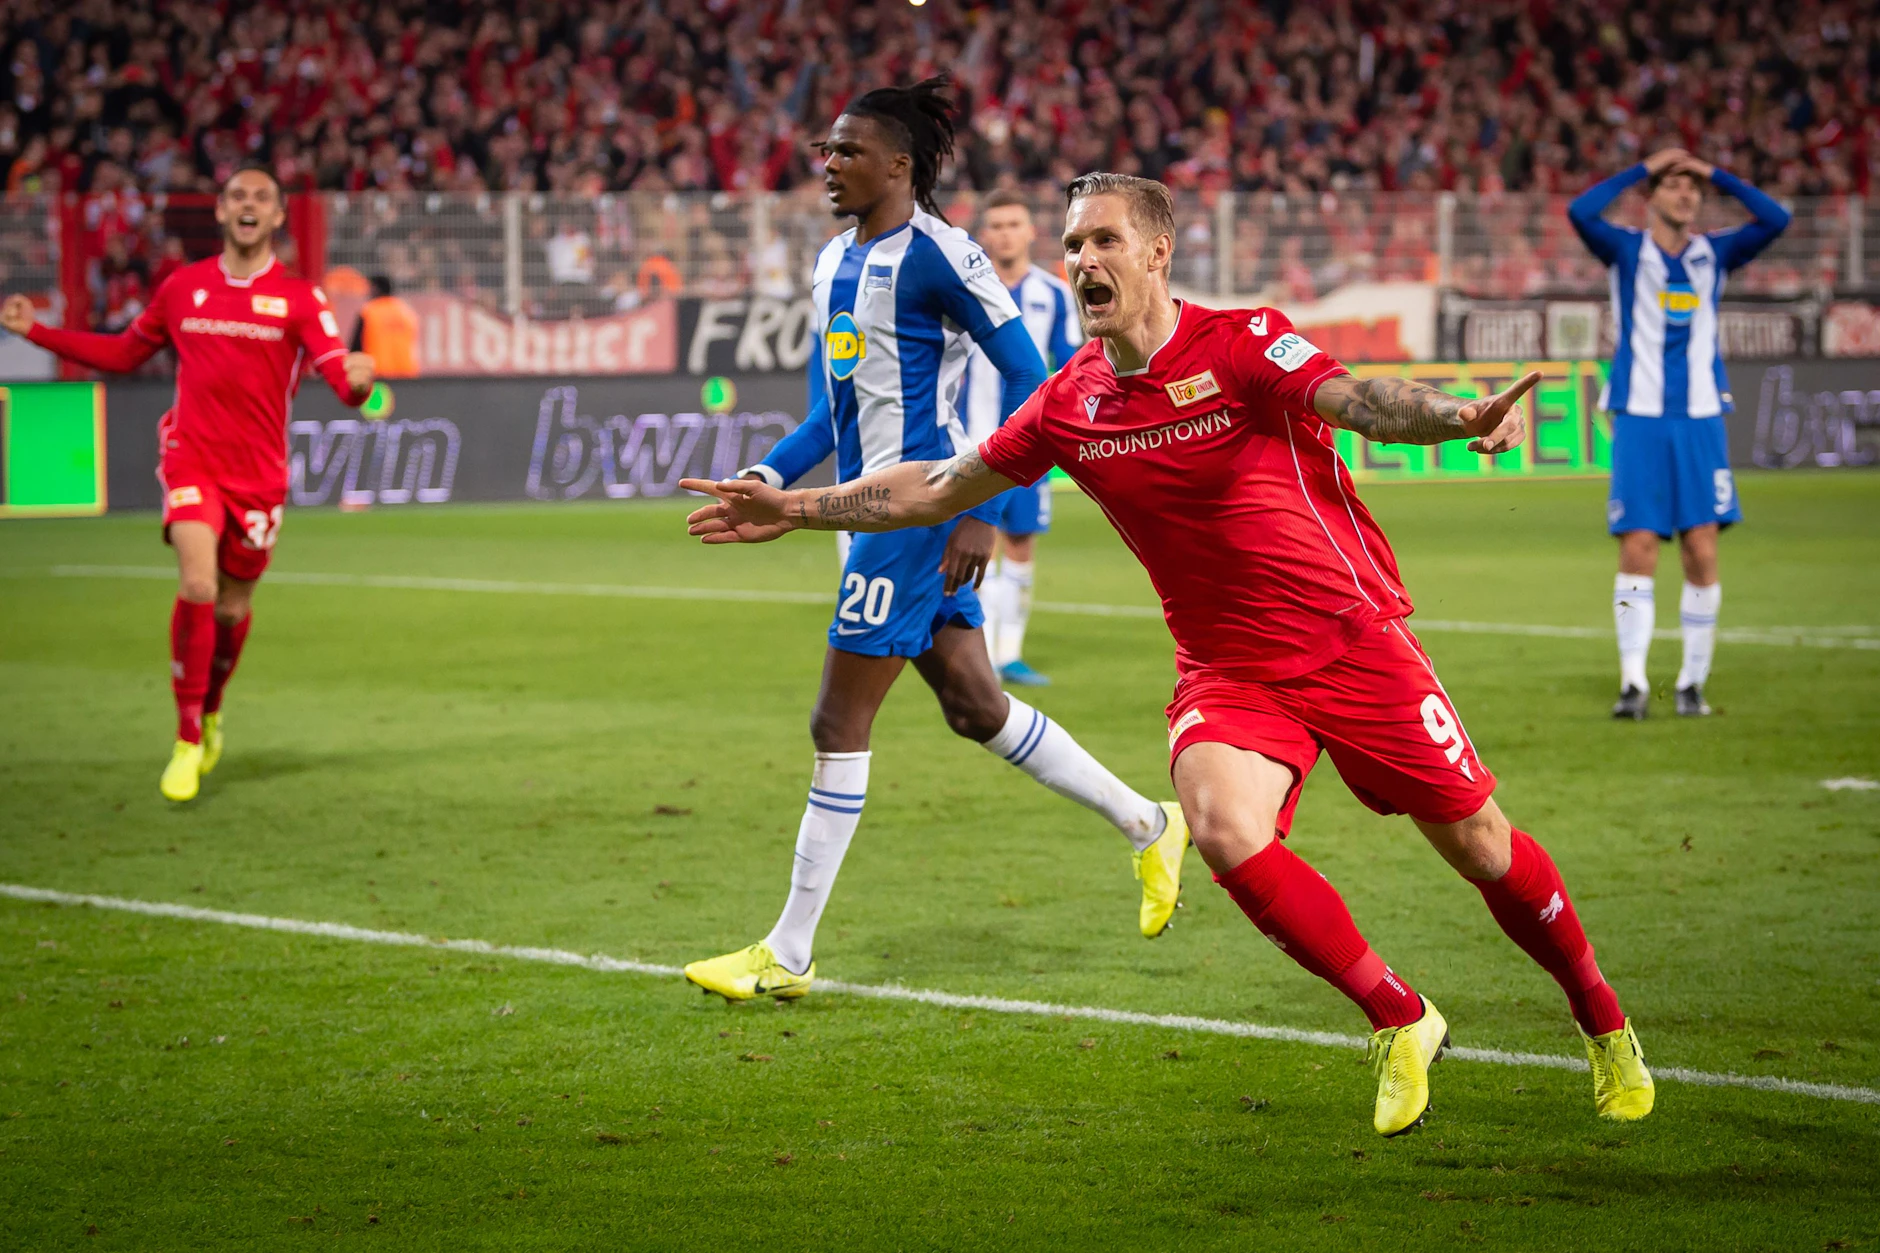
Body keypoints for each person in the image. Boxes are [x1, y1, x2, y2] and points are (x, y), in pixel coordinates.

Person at [682, 172, 1655, 1137]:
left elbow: (1359, 399)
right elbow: (937, 486)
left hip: (1350, 639)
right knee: (1223, 826)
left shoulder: (1243, 343)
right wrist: (794, 507)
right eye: (1073, 245)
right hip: (1226, 669)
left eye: (1103, 240)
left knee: (1480, 845)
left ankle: (1601, 1018)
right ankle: (1398, 1015)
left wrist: (1457, 415)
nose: (1081, 260)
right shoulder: (1070, 400)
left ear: (1157, 252)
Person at [681, 83, 1189, 1006]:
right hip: (859, 515)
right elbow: (825, 415)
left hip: (916, 516)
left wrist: (984, 507)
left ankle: (787, 952)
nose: (829, 164)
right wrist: (765, 476)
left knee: (837, 723)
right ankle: (1149, 822)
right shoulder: (833, 263)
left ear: (898, 165)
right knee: (974, 705)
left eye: (847, 151)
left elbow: (1036, 385)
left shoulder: (943, 255)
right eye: (827, 150)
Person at [0, 165, 375, 801]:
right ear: (221, 212)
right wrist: (36, 331)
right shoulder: (184, 287)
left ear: (278, 217)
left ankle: (212, 708)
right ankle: (186, 738)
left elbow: (341, 378)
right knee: (198, 583)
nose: (248, 205)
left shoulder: (300, 299)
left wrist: (360, 382)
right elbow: (125, 353)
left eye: (261, 197)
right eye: (237, 196)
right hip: (192, 457)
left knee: (231, 607)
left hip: (258, 475)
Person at [1567, 147, 1791, 719]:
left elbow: (1777, 219)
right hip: (1639, 417)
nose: (1686, 192)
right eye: (1673, 183)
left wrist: (1715, 172)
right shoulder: (1626, 249)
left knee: (1701, 549)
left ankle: (1692, 684)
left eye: (1694, 187)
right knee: (1638, 547)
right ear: (1651, 198)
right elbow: (1580, 212)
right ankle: (1633, 683)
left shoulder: (1714, 253)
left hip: (1700, 419)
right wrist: (1643, 167)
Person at [960, 190, 1083, 687]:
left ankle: (1009, 654)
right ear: (984, 234)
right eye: (997, 225)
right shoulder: (966, 292)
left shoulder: (1054, 294)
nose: (1006, 234)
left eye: (1014, 224)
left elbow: (1071, 368)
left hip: (1031, 445)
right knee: (976, 544)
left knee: (1020, 542)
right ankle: (980, 654)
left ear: (1031, 232)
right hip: (971, 443)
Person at [350, 274, 420, 378]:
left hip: (378, 374)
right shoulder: (406, 312)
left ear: (376, 289)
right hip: (407, 374)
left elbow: (356, 348)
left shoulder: (369, 312)